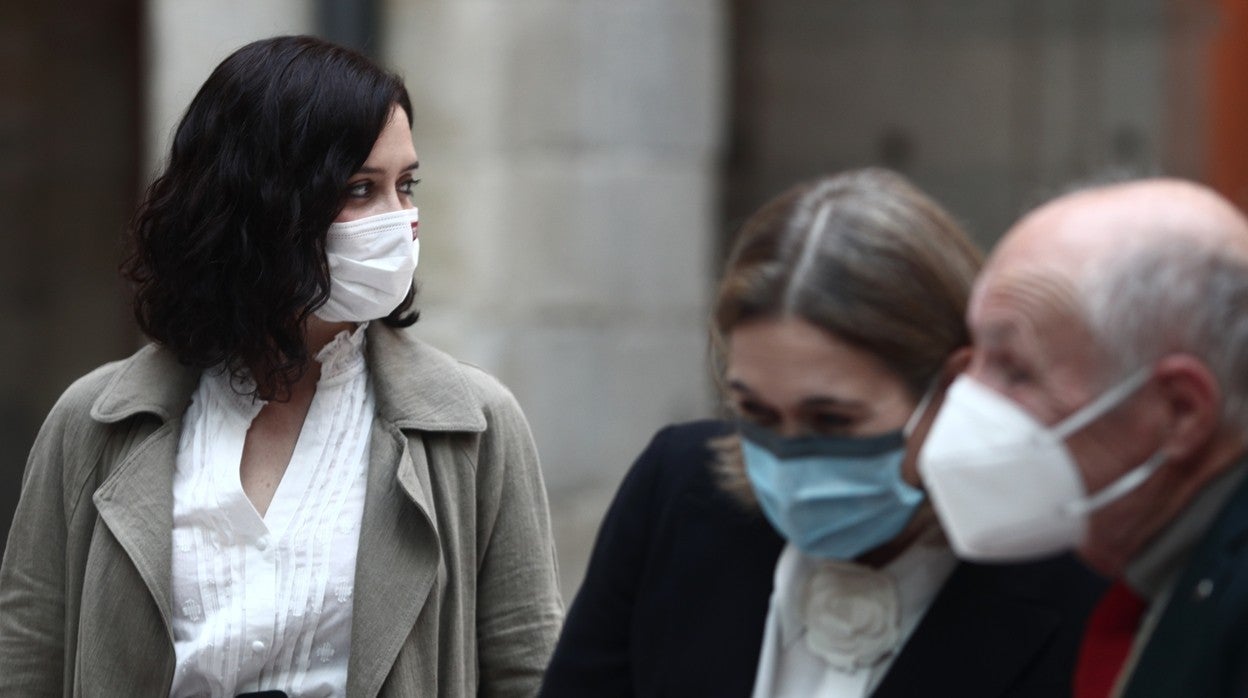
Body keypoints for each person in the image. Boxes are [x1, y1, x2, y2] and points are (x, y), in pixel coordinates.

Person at [0, 35, 562, 697]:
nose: (399, 220)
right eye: (360, 189)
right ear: (262, 203)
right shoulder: (95, 423)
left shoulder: (473, 426)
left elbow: (530, 670)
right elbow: (26, 661)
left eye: (406, 186)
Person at [540, 168, 1105, 697]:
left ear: (952, 387)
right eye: (756, 414)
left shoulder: (1070, 575)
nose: (788, 458)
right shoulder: (678, 494)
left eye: (832, 420)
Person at [919, 178, 1248, 698]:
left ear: (1180, 412)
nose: (965, 404)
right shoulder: (1157, 574)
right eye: (973, 356)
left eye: (1015, 370)